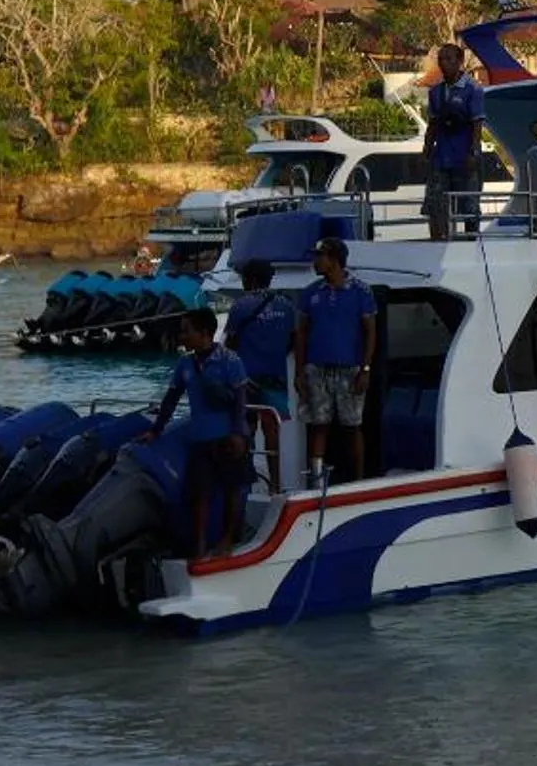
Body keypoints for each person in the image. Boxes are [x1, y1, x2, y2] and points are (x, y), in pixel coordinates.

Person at [152, 308, 250, 557]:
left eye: (187, 331)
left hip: (227, 436)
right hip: (200, 437)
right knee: (199, 493)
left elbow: (240, 400)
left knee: (231, 489)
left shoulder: (230, 360)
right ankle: (199, 544)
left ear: (205, 333)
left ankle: (227, 539)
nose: (181, 336)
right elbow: (171, 398)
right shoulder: (185, 364)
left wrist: (238, 433)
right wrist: (156, 430)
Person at [295, 237, 378, 487]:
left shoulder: (361, 291)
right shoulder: (311, 293)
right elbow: (301, 333)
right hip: (316, 368)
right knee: (318, 424)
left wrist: (365, 368)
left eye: (320, 257)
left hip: (350, 368)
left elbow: (370, 332)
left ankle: (358, 481)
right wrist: (299, 373)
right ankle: (317, 483)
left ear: (334, 260)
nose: (315, 262)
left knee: (352, 426)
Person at [223, 258, 301, 490]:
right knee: (272, 432)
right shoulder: (286, 305)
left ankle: (244, 483)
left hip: (246, 380)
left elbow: (230, 344)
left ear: (251, 279)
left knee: (245, 430)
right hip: (275, 378)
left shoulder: (240, 306)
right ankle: (275, 485)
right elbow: (293, 340)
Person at [422, 42, 486, 241]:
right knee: (435, 204)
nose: (443, 63)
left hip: (464, 158)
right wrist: (426, 149)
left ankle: (471, 243)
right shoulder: (435, 92)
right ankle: (437, 243)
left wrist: (473, 153)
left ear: (459, 62)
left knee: (469, 205)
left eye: (449, 59)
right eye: (440, 59)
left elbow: (477, 125)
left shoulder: (472, 89)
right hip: (441, 157)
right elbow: (432, 123)